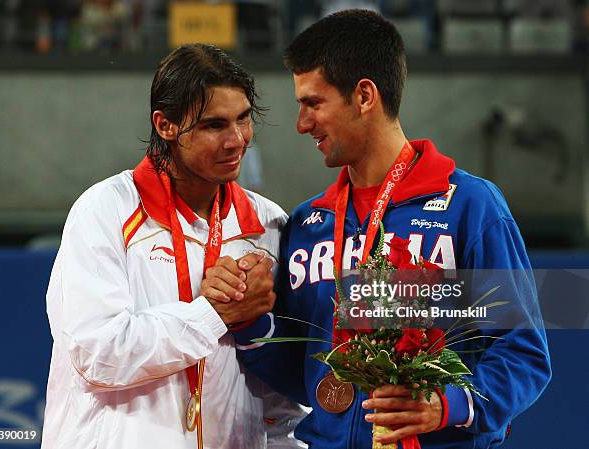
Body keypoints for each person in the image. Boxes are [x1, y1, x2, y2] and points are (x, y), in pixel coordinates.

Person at [202, 9, 551, 449]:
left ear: (364, 96)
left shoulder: (469, 207)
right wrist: (249, 320)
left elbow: (524, 353)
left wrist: (449, 405)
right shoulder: (310, 224)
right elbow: (300, 374)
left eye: (313, 103)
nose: (302, 123)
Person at [41, 43, 306, 449]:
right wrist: (214, 314)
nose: (237, 140)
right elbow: (99, 354)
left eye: (244, 119)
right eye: (215, 125)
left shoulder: (268, 225)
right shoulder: (107, 210)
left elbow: (279, 399)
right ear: (165, 125)